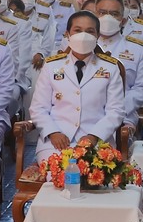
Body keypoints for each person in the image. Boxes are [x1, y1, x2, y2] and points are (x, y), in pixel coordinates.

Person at [30, 11, 127, 151]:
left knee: (95, 166)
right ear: (67, 34)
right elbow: (38, 108)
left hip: (98, 142)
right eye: (77, 30)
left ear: (97, 36)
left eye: (90, 31)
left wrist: (94, 136)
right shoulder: (51, 66)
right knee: (54, 166)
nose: (83, 36)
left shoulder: (110, 68)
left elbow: (116, 111)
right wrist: (53, 132)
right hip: (55, 141)